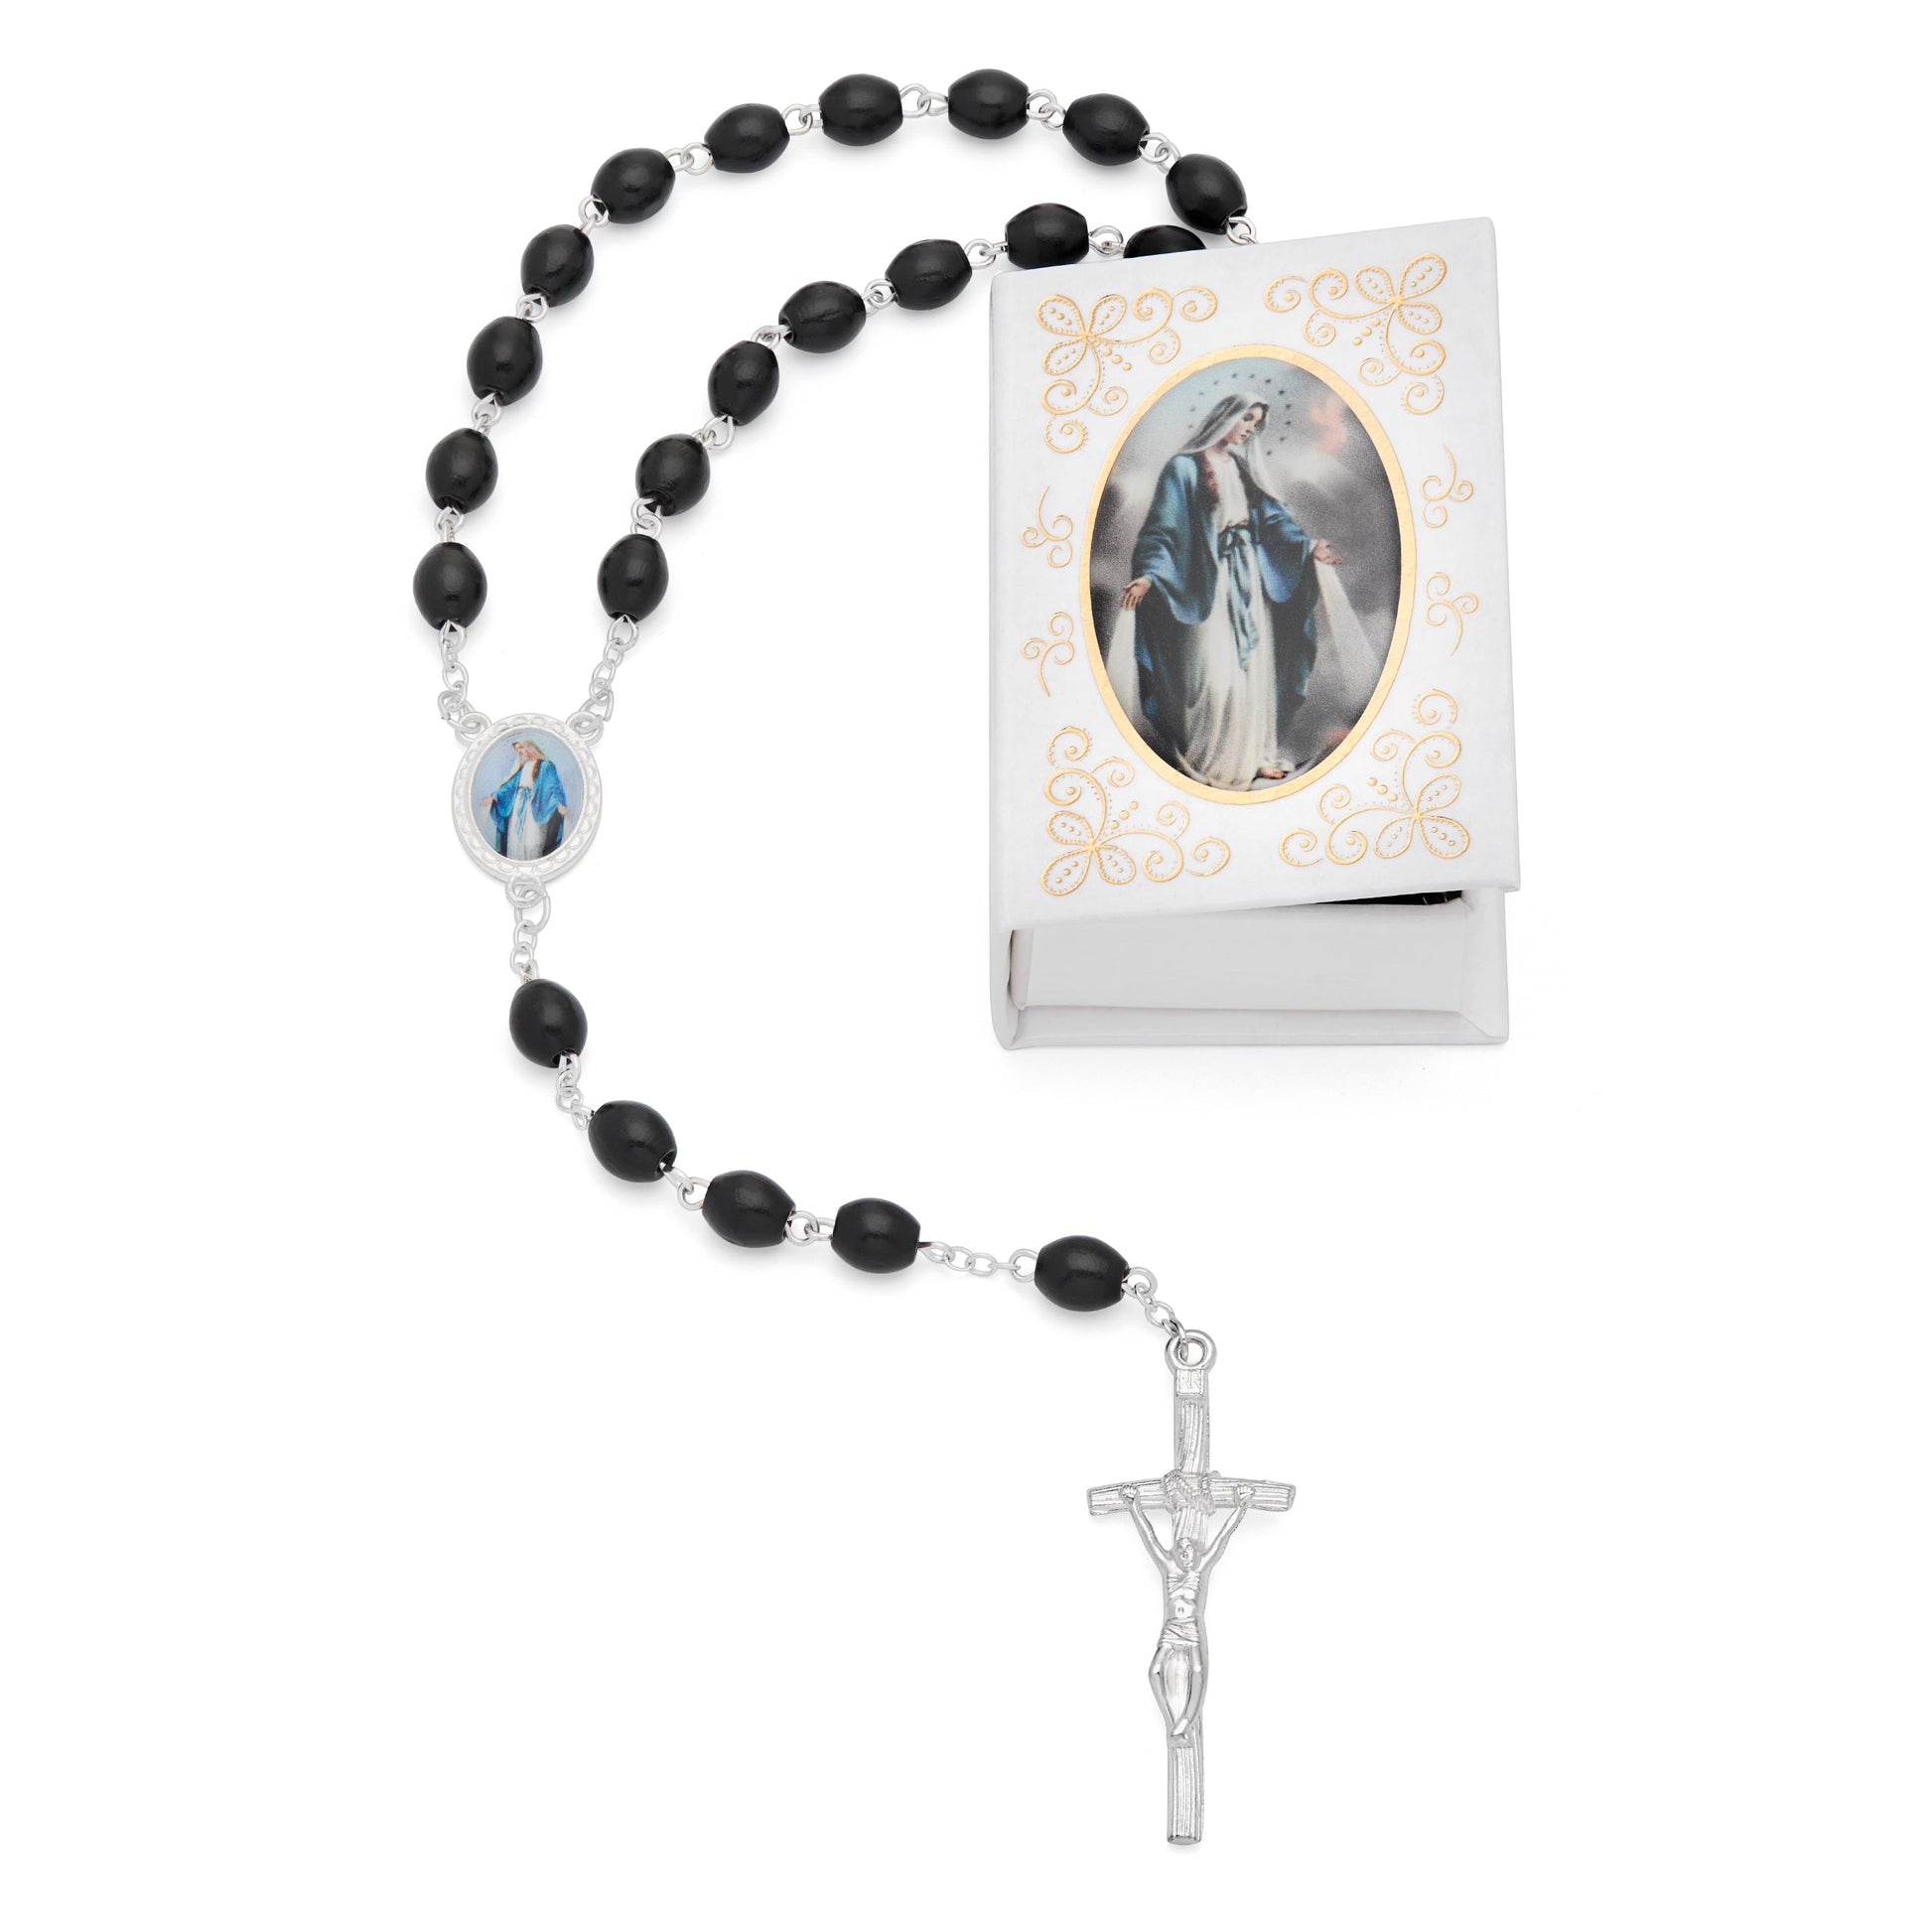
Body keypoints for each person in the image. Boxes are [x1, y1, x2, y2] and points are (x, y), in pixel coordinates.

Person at [1118, 395, 1344, 788]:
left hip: (1249, 579)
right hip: (1209, 583)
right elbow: (1162, 530)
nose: (1250, 429)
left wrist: (1308, 546)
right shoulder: (1182, 468)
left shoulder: (1240, 467)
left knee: (1254, 670)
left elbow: (1271, 520)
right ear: (1224, 417)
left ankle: (1256, 755)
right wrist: (1150, 575)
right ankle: (1210, 759)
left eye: (1256, 423)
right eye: (1247, 419)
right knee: (1214, 673)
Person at [1124, 1476, 1255, 1739]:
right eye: (1180, 1548)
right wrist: (1133, 1505)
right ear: (1174, 1552)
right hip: (1172, 1628)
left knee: (1197, 1671)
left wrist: (1242, 1506)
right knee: (1154, 1671)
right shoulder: (1168, 1567)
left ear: (1196, 1552)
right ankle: (1172, 1721)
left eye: (1189, 1548)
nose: (1185, 1553)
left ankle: (1186, 1721)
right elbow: (1149, 1537)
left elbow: (1223, 1536)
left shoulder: (1201, 1567)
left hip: (1191, 1628)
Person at [486, 739, 568, 861]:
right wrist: (495, 796)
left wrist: (559, 804)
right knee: (515, 838)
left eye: (521, 747)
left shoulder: (546, 766)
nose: (519, 752)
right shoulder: (523, 766)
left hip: (534, 806)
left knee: (533, 839)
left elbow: (553, 787)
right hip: (518, 805)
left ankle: (533, 863)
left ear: (529, 746)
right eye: (517, 750)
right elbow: (510, 785)